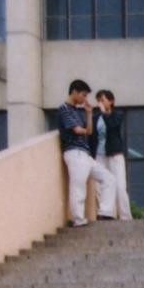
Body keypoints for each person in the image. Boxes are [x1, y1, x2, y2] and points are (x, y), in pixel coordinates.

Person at [56, 78, 108, 226]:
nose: (84, 99)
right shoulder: (64, 108)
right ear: (74, 92)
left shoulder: (77, 111)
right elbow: (77, 130)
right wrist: (85, 129)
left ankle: (106, 212)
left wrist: (89, 114)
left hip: (84, 153)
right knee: (78, 185)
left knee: (108, 179)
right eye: (83, 95)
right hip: (74, 151)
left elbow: (89, 131)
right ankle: (78, 218)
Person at [92, 90, 129, 219]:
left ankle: (125, 216)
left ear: (111, 101)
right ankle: (106, 213)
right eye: (98, 101)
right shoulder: (96, 117)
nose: (100, 103)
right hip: (99, 154)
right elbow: (92, 136)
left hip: (114, 153)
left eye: (102, 100)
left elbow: (112, 126)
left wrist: (104, 113)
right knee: (100, 186)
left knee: (120, 186)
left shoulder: (117, 114)